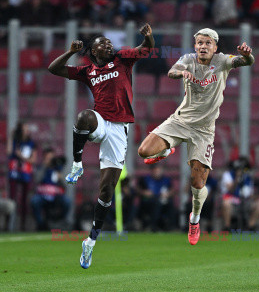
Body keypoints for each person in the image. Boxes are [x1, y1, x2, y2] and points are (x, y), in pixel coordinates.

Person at [47, 23, 155, 268]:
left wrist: (148, 37)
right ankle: (77, 165)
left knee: (106, 191)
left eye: (109, 42)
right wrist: (69, 52)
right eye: (102, 44)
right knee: (84, 116)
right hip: (101, 122)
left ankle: (90, 242)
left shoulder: (123, 60)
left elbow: (146, 49)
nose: (109, 45)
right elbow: (54, 69)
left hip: (119, 129)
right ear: (94, 52)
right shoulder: (87, 70)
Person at [138, 28, 255, 245]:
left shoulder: (223, 61)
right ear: (195, 46)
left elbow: (246, 62)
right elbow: (172, 71)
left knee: (197, 183)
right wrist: (182, 73)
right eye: (200, 42)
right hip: (180, 121)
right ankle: (166, 149)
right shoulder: (187, 59)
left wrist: (247, 55)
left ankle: (194, 219)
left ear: (215, 47)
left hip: (203, 131)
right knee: (143, 151)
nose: (203, 46)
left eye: (207, 43)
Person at [221, 157, 259, 231]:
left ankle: (251, 226)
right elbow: (230, 189)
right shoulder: (228, 175)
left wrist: (255, 196)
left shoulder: (247, 177)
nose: (242, 170)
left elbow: (249, 193)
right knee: (226, 203)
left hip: (245, 201)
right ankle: (227, 227)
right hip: (232, 200)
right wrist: (237, 178)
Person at [31, 148, 71, 230]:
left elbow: (66, 186)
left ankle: (59, 222)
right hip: (42, 196)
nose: (50, 160)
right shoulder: (41, 168)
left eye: (51, 158)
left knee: (67, 202)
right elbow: (37, 179)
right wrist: (44, 166)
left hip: (55, 196)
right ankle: (41, 225)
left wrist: (61, 177)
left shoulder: (58, 168)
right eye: (47, 158)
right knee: (34, 201)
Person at [7, 122, 37, 230]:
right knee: (12, 199)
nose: (26, 130)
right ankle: (8, 223)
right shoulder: (15, 141)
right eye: (24, 128)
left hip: (25, 172)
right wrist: (11, 137)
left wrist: (21, 156)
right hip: (14, 171)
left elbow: (33, 160)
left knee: (24, 200)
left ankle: (22, 225)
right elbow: (9, 151)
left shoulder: (31, 143)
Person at [137, 164, 176, 231]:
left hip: (163, 200)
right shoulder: (145, 179)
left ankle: (170, 227)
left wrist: (168, 194)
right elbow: (137, 190)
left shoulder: (166, 180)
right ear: (152, 171)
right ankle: (153, 226)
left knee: (170, 204)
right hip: (149, 201)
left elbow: (173, 190)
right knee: (156, 204)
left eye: (158, 170)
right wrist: (144, 192)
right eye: (155, 170)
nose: (157, 172)